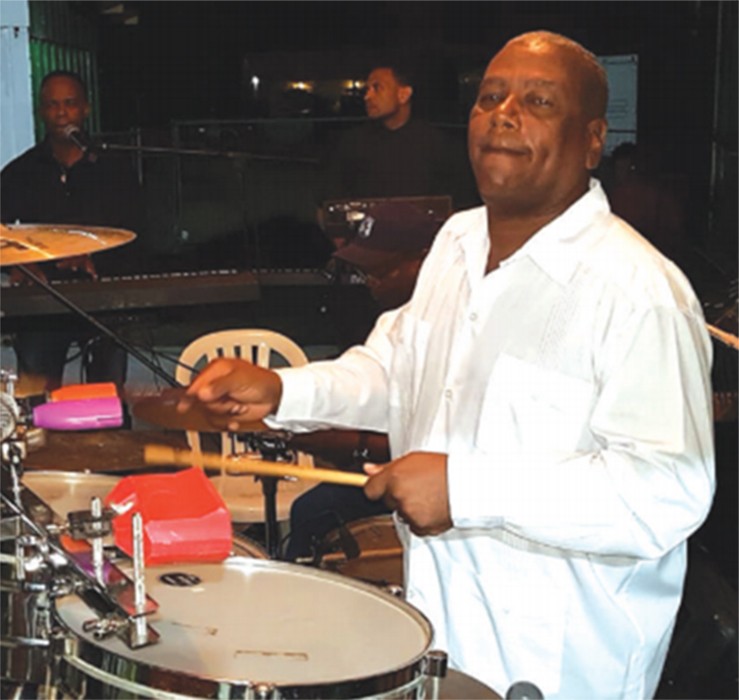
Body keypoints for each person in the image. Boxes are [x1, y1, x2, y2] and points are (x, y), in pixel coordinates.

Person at [180, 32, 715, 699]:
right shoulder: (458, 241)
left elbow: (666, 490)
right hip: (441, 637)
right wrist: (282, 390)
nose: (503, 115)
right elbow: (395, 369)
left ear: (591, 141)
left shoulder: (638, 291)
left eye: (538, 102)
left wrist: (465, 489)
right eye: (490, 97)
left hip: (557, 667)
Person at [1, 70, 145, 396]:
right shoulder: (20, 172)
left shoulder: (113, 168)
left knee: (105, 398)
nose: (61, 113)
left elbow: (135, 230)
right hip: (43, 298)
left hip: (103, 297)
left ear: (85, 109)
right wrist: (20, 264)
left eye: (69, 103)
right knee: (37, 396)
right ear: (41, 112)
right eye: (52, 105)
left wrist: (93, 257)